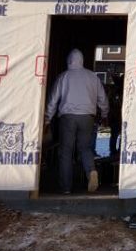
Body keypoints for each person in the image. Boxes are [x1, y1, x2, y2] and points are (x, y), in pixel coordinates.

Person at [45, 49, 109, 194]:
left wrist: (47, 119)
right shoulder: (93, 77)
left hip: (68, 118)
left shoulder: (63, 77)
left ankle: (66, 188)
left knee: (66, 151)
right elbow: (103, 99)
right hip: (87, 117)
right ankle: (91, 171)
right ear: (82, 61)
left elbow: (53, 101)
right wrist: (104, 114)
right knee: (85, 148)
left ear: (69, 61)